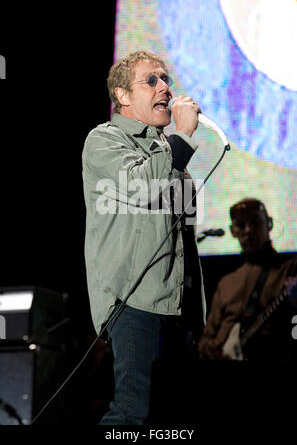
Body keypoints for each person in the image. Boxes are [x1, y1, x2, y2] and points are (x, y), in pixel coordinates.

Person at [82, 50, 206, 425]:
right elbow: (140, 186)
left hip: (178, 308)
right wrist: (181, 136)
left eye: (165, 79)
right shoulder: (104, 140)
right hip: (134, 300)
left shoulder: (168, 155)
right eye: (151, 80)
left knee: (172, 419)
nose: (164, 88)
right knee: (133, 413)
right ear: (122, 96)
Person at [198, 197, 297, 361]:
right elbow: (205, 340)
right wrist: (213, 349)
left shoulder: (291, 268)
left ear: (269, 224)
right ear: (233, 231)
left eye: (255, 222)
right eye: (241, 225)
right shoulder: (226, 283)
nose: (248, 230)